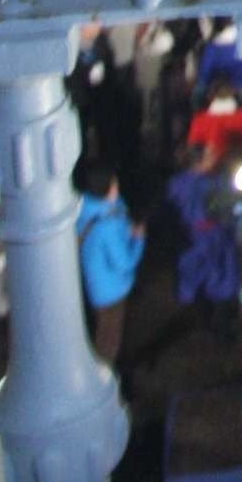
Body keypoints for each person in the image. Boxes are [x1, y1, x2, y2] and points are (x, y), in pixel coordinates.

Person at [73, 151, 145, 373]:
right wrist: (138, 240)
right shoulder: (109, 226)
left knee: (104, 332)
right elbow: (124, 262)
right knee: (108, 341)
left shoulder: (84, 209)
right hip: (112, 291)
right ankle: (103, 382)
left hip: (95, 285)